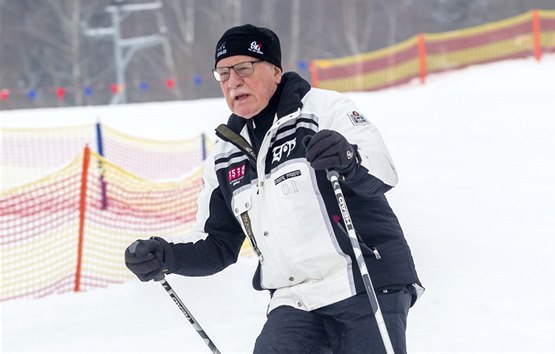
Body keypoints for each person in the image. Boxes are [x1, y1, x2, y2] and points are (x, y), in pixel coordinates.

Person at [125, 24, 423, 354]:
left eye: (243, 68)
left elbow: (384, 171)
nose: (233, 81)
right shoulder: (226, 157)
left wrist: (349, 157)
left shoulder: (324, 109)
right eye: (222, 73)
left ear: (276, 71)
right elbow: (217, 244)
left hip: (364, 281)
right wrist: (165, 255)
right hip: (294, 299)